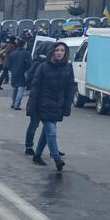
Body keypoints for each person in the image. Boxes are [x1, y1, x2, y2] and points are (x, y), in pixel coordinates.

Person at [29, 42, 75, 173]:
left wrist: (67, 105)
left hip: (58, 105)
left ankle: (37, 156)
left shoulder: (68, 67)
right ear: (52, 52)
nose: (60, 52)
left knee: (47, 132)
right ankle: (57, 159)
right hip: (43, 104)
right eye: (57, 50)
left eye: (62, 50)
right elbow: (35, 88)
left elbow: (70, 88)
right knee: (51, 131)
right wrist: (32, 107)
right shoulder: (43, 67)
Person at [7, 38, 32, 110]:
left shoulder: (13, 53)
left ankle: (13, 103)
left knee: (14, 89)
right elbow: (29, 64)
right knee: (21, 89)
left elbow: (9, 64)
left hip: (14, 72)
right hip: (23, 72)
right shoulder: (26, 53)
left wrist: (11, 70)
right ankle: (17, 105)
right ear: (24, 45)